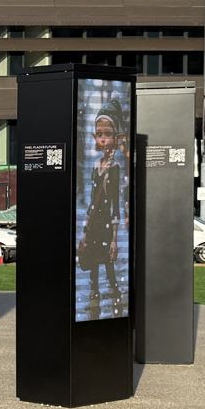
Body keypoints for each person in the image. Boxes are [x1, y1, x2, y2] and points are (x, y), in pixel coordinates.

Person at [78, 98, 126, 319]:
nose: (103, 138)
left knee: (107, 262)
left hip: (107, 223)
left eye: (107, 134)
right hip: (95, 223)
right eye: (99, 134)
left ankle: (115, 295)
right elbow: (91, 201)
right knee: (95, 264)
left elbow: (115, 203)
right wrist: (85, 230)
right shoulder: (96, 167)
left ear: (115, 137)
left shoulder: (114, 168)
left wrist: (115, 237)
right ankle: (95, 297)